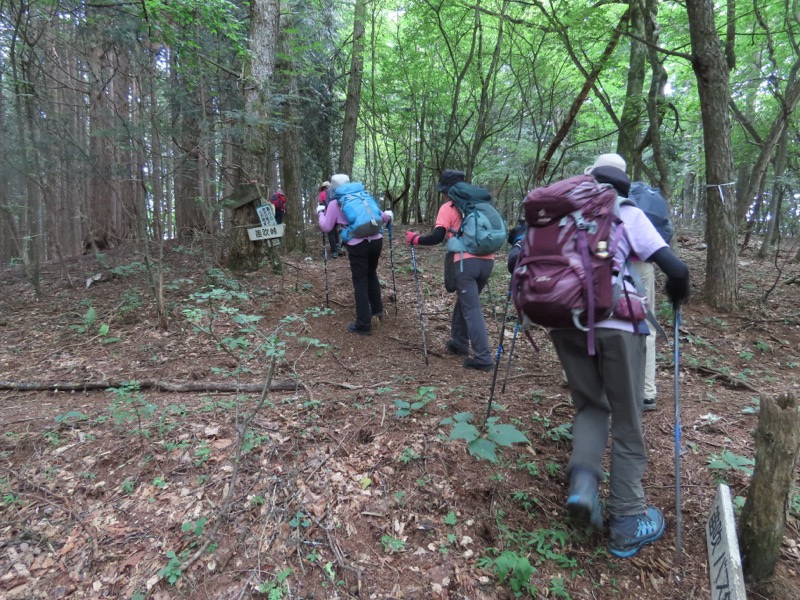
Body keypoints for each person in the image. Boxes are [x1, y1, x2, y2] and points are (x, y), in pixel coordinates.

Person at [510, 154, 690, 558]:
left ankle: (584, 486)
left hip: (560, 320)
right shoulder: (623, 209)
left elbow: (515, 260)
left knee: (591, 407)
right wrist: (678, 293)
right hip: (616, 324)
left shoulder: (556, 215)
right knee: (627, 417)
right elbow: (674, 269)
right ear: (623, 184)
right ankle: (628, 518)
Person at [405, 169, 496, 372]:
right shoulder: (481, 205)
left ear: (447, 191)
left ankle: (484, 357)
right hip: (487, 261)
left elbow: (437, 237)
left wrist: (415, 239)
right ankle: (459, 341)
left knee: (472, 309)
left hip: (465, 263)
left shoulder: (449, 207)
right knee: (465, 302)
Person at [317, 174, 393, 336]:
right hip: (377, 240)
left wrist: (320, 214)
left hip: (357, 244)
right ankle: (377, 310)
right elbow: (382, 217)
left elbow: (326, 227)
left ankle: (363, 324)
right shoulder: (363, 196)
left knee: (360, 281)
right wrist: (389, 215)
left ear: (333, 188)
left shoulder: (334, 203)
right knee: (372, 274)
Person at [627, 178, 674, 412]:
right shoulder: (646, 199)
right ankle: (646, 392)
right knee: (646, 325)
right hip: (643, 265)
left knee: (597, 319)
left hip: (605, 265)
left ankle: (587, 382)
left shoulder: (600, 194)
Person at [318, 181, 342, 258]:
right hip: (336, 213)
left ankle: (334, 251)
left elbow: (321, 204)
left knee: (330, 232)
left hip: (327, 214)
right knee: (335, 230)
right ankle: (338, 248)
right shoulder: (334, 192)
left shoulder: (322, 194)